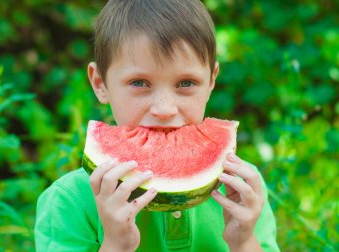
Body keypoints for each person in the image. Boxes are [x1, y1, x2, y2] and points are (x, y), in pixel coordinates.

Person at [34, 0, 279, 251]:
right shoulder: (69, 201)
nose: (164, 109)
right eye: (139, 83)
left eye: (186, 83)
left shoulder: (241, 190)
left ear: (211, 81)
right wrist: (116, 244)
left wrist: (244, 241)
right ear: (100, 83)